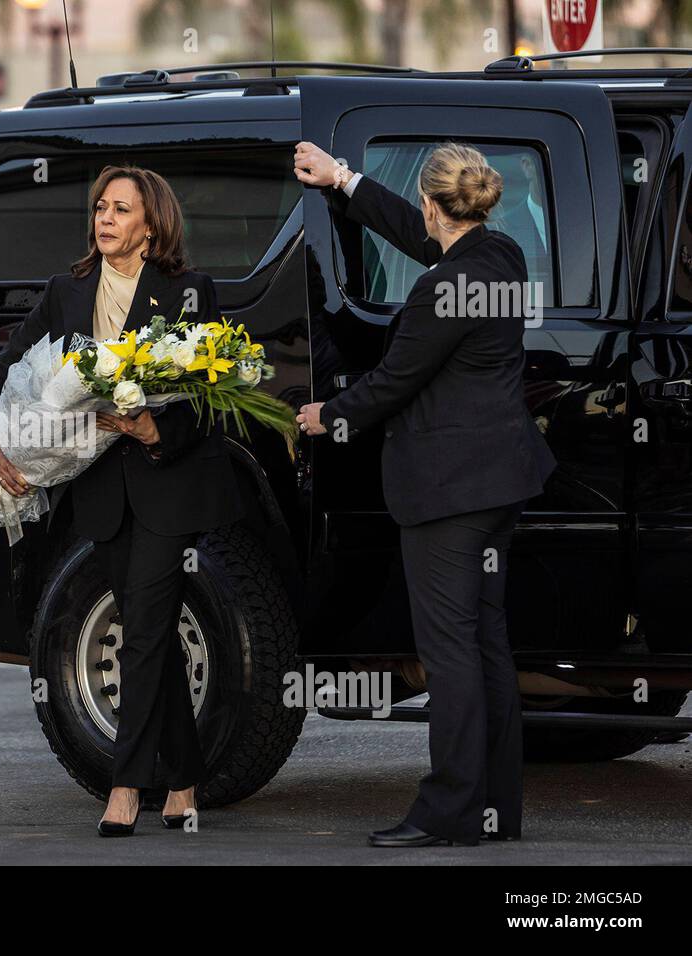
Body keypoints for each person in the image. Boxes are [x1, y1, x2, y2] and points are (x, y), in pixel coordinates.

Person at [293, 140, 557, 847]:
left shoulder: (443, 290)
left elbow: (391, 382)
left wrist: (330, 415)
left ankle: (448, 812)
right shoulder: (497, 256)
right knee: (485, 646)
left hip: (448, 495)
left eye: (423, 205)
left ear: (435, 204)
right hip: (499, 482)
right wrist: (344, 180)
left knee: (450, 653)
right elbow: (425, 238)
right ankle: (495, 807)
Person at [0, 164, 243, 836]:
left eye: (121, 209)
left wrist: (159, 426)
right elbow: (3, 367)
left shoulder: (188, 292)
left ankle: (126, 786)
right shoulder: (67, 292)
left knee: (145, 632)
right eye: (100, 207)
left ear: (151, 224)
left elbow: (213, 401)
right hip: (97, 490)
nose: (105, 218)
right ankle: (183, 780)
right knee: (146, 628)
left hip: (168, 484)